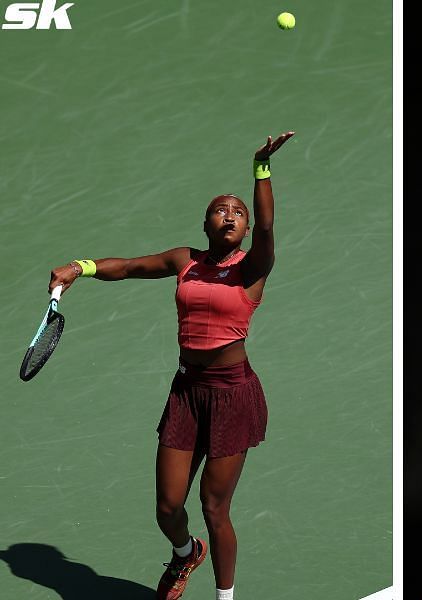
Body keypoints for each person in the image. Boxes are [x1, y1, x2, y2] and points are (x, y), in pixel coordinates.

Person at [46, 131, 295, 600]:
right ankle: (185, 554)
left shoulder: (253, 267)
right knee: (167, 506)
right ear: (206, 223)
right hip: (186, 394)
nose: (231, 215)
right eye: (221, 209)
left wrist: (261, 167)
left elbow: (267, 228)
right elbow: (131, 267)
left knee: (214, 507)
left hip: (232, 397)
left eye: (238, 212)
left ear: (244, 230)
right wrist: (81, 266)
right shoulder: (186, 260)